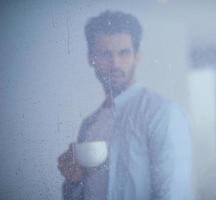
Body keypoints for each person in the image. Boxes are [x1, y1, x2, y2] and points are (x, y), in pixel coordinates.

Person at [57, 10, 192, 200]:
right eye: (105, 54)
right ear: (90, 58)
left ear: (137, 56)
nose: (115, 63)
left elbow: (174, 194)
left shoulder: (162, 113)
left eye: (124, 52)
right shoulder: (88, 124)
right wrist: (73, 179)